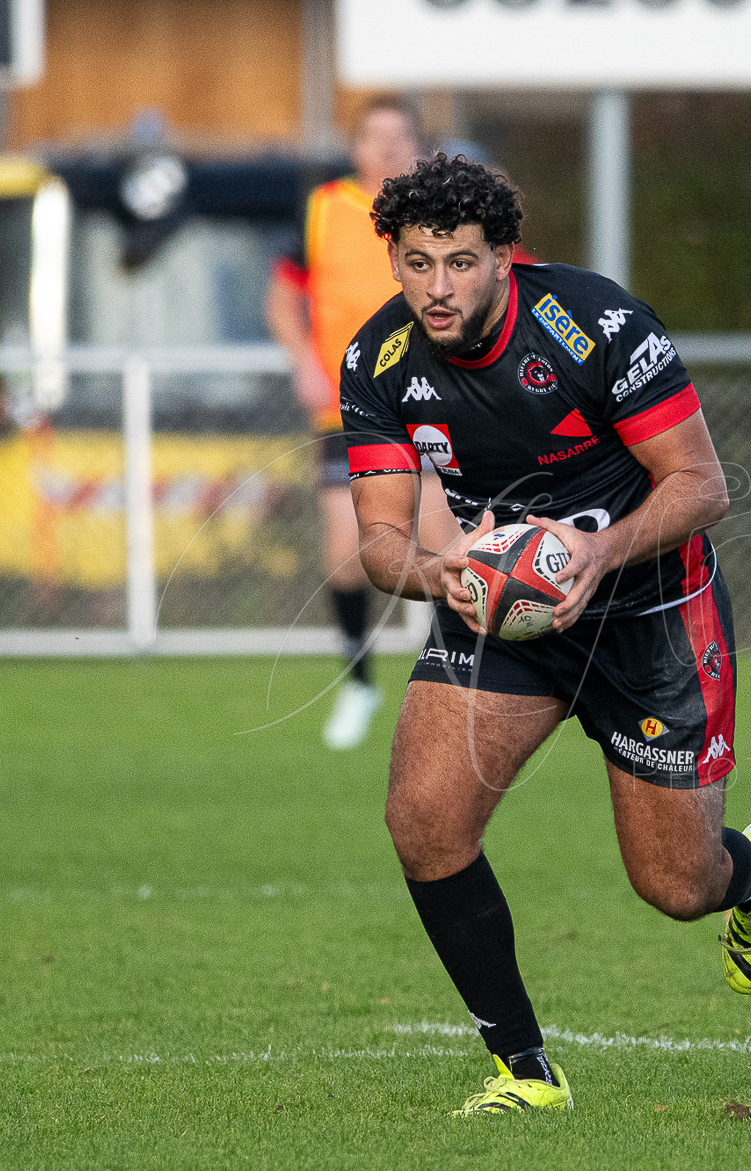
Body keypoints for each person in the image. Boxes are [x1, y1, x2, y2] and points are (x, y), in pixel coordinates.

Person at [338, 154, 751, 1116]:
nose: (437, 288)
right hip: (507, 618)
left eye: (460, 261)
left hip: (650, 617)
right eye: (416, 263)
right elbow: (381, 542)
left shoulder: (597, 325)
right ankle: (526, 1073)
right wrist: (443, 572)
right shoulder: (377, 363)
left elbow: (701, 485)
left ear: (506, 254)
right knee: (422, 824)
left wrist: (597, 555)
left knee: (674, 885)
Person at [266, 97, 459, 749]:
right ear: (354, 147)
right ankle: (358, 683)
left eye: (398, 136)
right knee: (347, 552)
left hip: (430, 398)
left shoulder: (440, 213)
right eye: (373, 137)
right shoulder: (323, 209)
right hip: (346, 408)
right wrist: (302, 361)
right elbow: (281, 295)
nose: (384, 148)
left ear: (418, 147)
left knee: (442, 544)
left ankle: (460, 681)